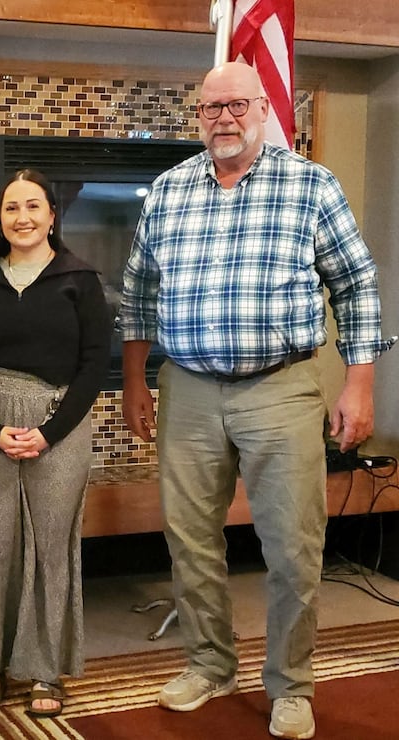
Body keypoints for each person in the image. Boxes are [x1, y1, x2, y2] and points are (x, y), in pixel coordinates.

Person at [118, 62, 395, 740]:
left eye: (237, 105)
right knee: (189, 539)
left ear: (265, 110)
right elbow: (137, 295)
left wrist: (360, 383)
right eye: (211, 108)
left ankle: (290, 686)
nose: (223, 118)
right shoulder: (169, 189)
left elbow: (356, 287)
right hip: (185, 387)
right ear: (199, 117)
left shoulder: (310, 186)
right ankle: (210, 665)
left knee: (294, 546)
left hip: (282, 387)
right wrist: (133, 382)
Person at [0, 169, 111, 718]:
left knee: (50, 545)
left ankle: (45, 668)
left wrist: (49, 431)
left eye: (33, 207)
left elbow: (95, 365)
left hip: (58, 422)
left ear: (51, 216)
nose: (22, 218)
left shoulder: (80, 278)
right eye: (11, 208)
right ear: (0, 219)